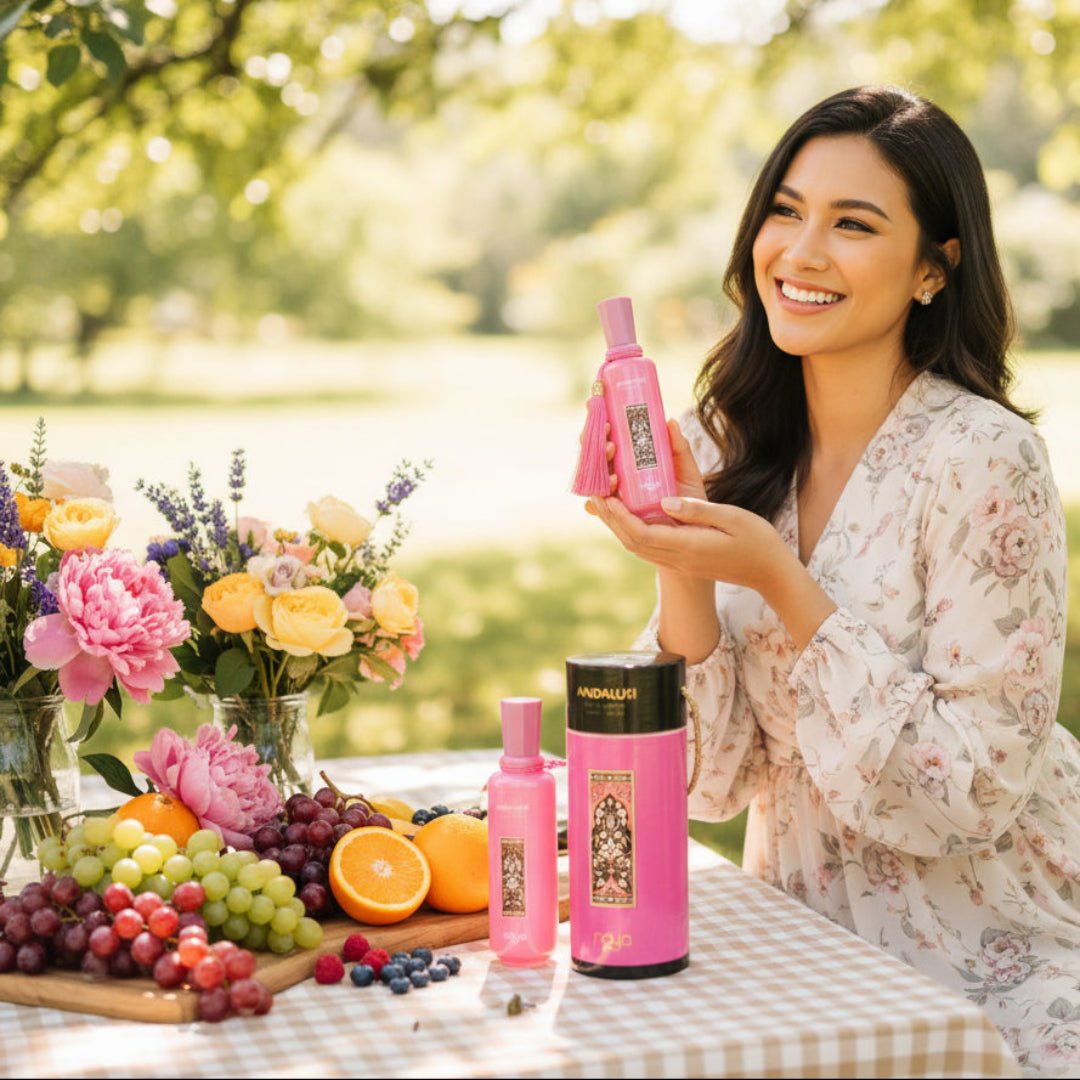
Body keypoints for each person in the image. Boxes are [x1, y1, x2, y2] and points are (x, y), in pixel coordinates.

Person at [585, 85, 1080, 1076]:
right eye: (785, 209)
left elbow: (969, 790)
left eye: (853, 224)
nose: (801, 252)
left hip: (992, 954)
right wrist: (679, 564)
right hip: (799, 943)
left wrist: (780, 580)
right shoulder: (730, 443)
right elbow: (710, 783)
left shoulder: (983, 458)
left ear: (935, 270)